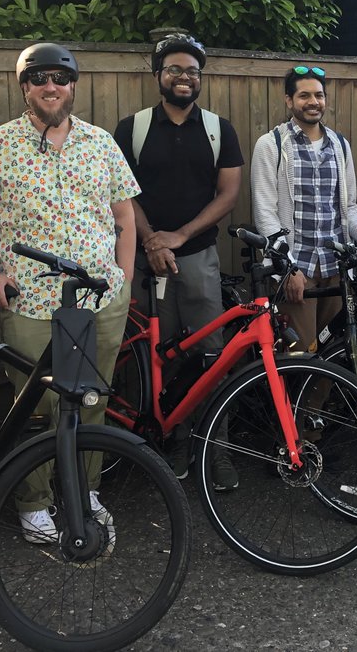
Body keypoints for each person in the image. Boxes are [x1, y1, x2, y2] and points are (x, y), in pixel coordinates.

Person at [0, 42, 137, 543]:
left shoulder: (101, 144)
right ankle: (34, 503)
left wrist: (121, 276)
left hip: (98, 299)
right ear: (25, 88)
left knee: (90, 399)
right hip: (30, 300)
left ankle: (84, 491)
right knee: (32, 403)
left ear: (73, 85)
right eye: (39, 79)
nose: (50, 86)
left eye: (59, 77)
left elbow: (124, 216)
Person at [112, 33, 244, 488]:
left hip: (199, 259)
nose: (183, 77)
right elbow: (122, 194)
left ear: (200, 79)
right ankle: (162, 446)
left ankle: (216, 448)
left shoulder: (218, 129)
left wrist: (180, 235)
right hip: (147, 262)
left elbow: (228, 194)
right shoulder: (132, 128)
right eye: (174, 70)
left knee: (212, 356)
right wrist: (152, 241)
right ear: (158, 77)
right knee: (153, 358)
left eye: (192, 71)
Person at [250, 66, 357, 352]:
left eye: (319, 95)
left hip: (335, 268)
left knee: (333, 354)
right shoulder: (271, 145)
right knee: (299, 355)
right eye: (304, 95)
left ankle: (319, 401)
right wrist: (288, 268)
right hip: (298, 270)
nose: (313, 102)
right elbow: (265, 214)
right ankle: (292, 400)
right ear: (289, 100)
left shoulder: (339, 145)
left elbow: (348, 209)